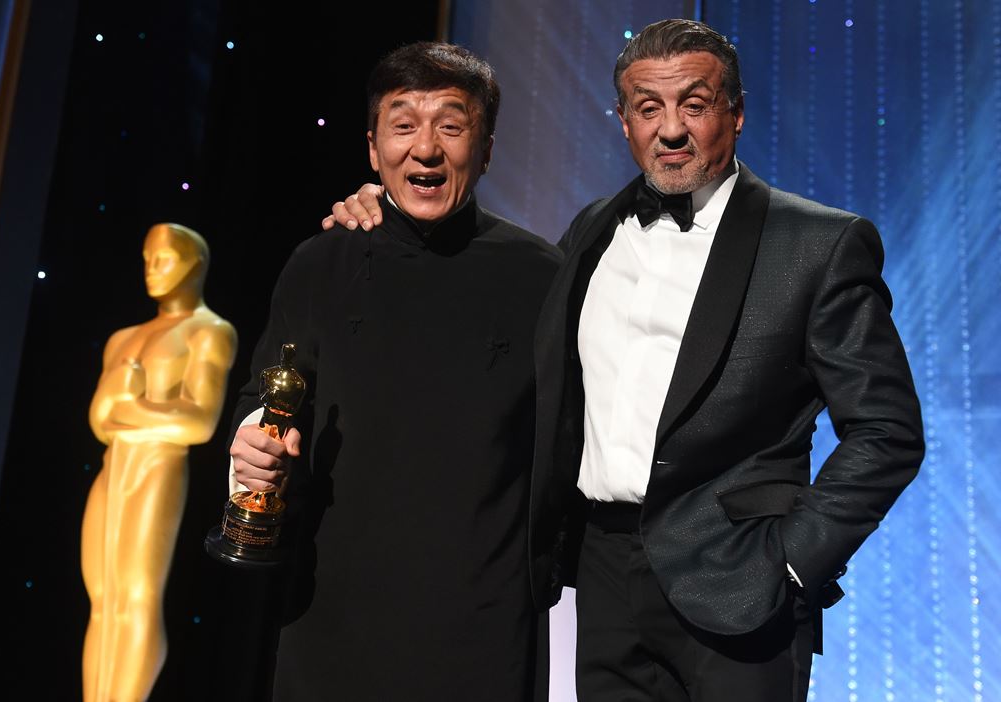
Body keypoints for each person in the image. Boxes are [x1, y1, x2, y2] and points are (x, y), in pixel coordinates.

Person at [326, 19, 924, 702]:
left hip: (741, 581)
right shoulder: (590, 232)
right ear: (624, 122)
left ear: (736, 112)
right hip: (604, 577)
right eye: (649, 108)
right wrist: (385, 211)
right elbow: (480, 304)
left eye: (693, 105)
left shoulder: (818, 244)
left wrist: (792, 563)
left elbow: (887, 431)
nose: (670, 129)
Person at [228, 42, 560, 701]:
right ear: (375, 151)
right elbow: (261, 397)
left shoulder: (543, 276)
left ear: (486, 149)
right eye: (403, 124)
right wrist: (248, 446)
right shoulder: (322, 263)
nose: (427, 148)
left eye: (452, 125)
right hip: (331, 616)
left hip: (482, 631)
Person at [83, 223, 237, 702]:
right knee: (104, 603)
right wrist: (126, 407)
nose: (152, 269)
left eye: (164, 258)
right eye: (147, 258)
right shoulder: (122, 338)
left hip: (158, 464)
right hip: (116, 463)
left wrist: (126, 403)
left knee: (138, 598)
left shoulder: (209, 332)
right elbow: (98, 420)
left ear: (194, 264)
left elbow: (200, 423)